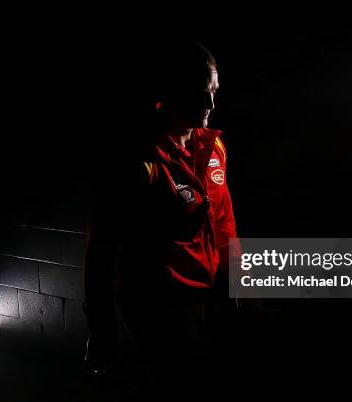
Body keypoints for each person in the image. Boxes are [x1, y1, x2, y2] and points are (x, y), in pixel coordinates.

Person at [83, 41, 241, 400]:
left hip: (209, 295)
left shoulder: (212, 146)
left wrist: (235, 279)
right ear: (170, 92)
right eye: (202, 93)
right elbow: (101, 251)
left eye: (215, 91)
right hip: (160, 306)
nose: (211, 105)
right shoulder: (139, 162)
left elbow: (223, 218)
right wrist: (101, 328)